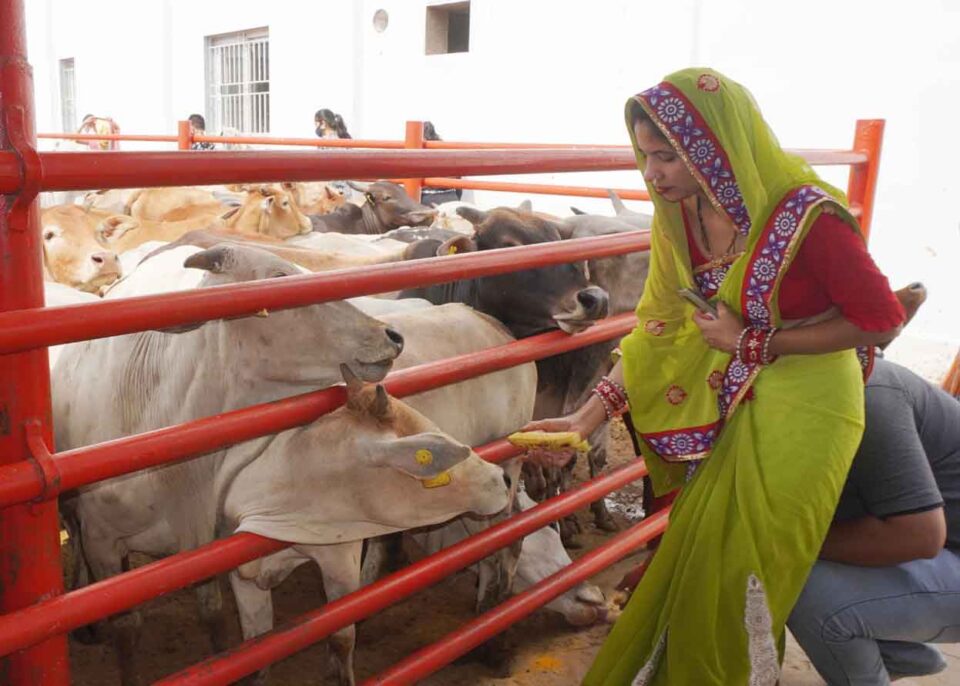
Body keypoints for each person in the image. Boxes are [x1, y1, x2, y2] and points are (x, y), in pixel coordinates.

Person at [521, 68, 906, 685]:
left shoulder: (808, 217)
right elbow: (659, 329)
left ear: (716, 147)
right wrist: (584, 418)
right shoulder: (680, 217)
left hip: (810, 409)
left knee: (745, 575)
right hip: (731, 404)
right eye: (644, 156)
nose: (652, 174)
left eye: (667, 156)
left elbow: (881, 320)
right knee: (698, 565)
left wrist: (756, 341)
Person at [787, 357, 960, 685]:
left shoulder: (868, 393)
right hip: (943, 543)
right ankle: (904, 655)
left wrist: (785, 542)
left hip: (937, 545)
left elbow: (919, 536)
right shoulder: (829, 379)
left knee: (807, 587)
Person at [419, 121, 463, 206]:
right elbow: (458, 183)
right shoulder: (445, 149)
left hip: (425, 197)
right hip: (450, 195)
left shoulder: (417, 150)